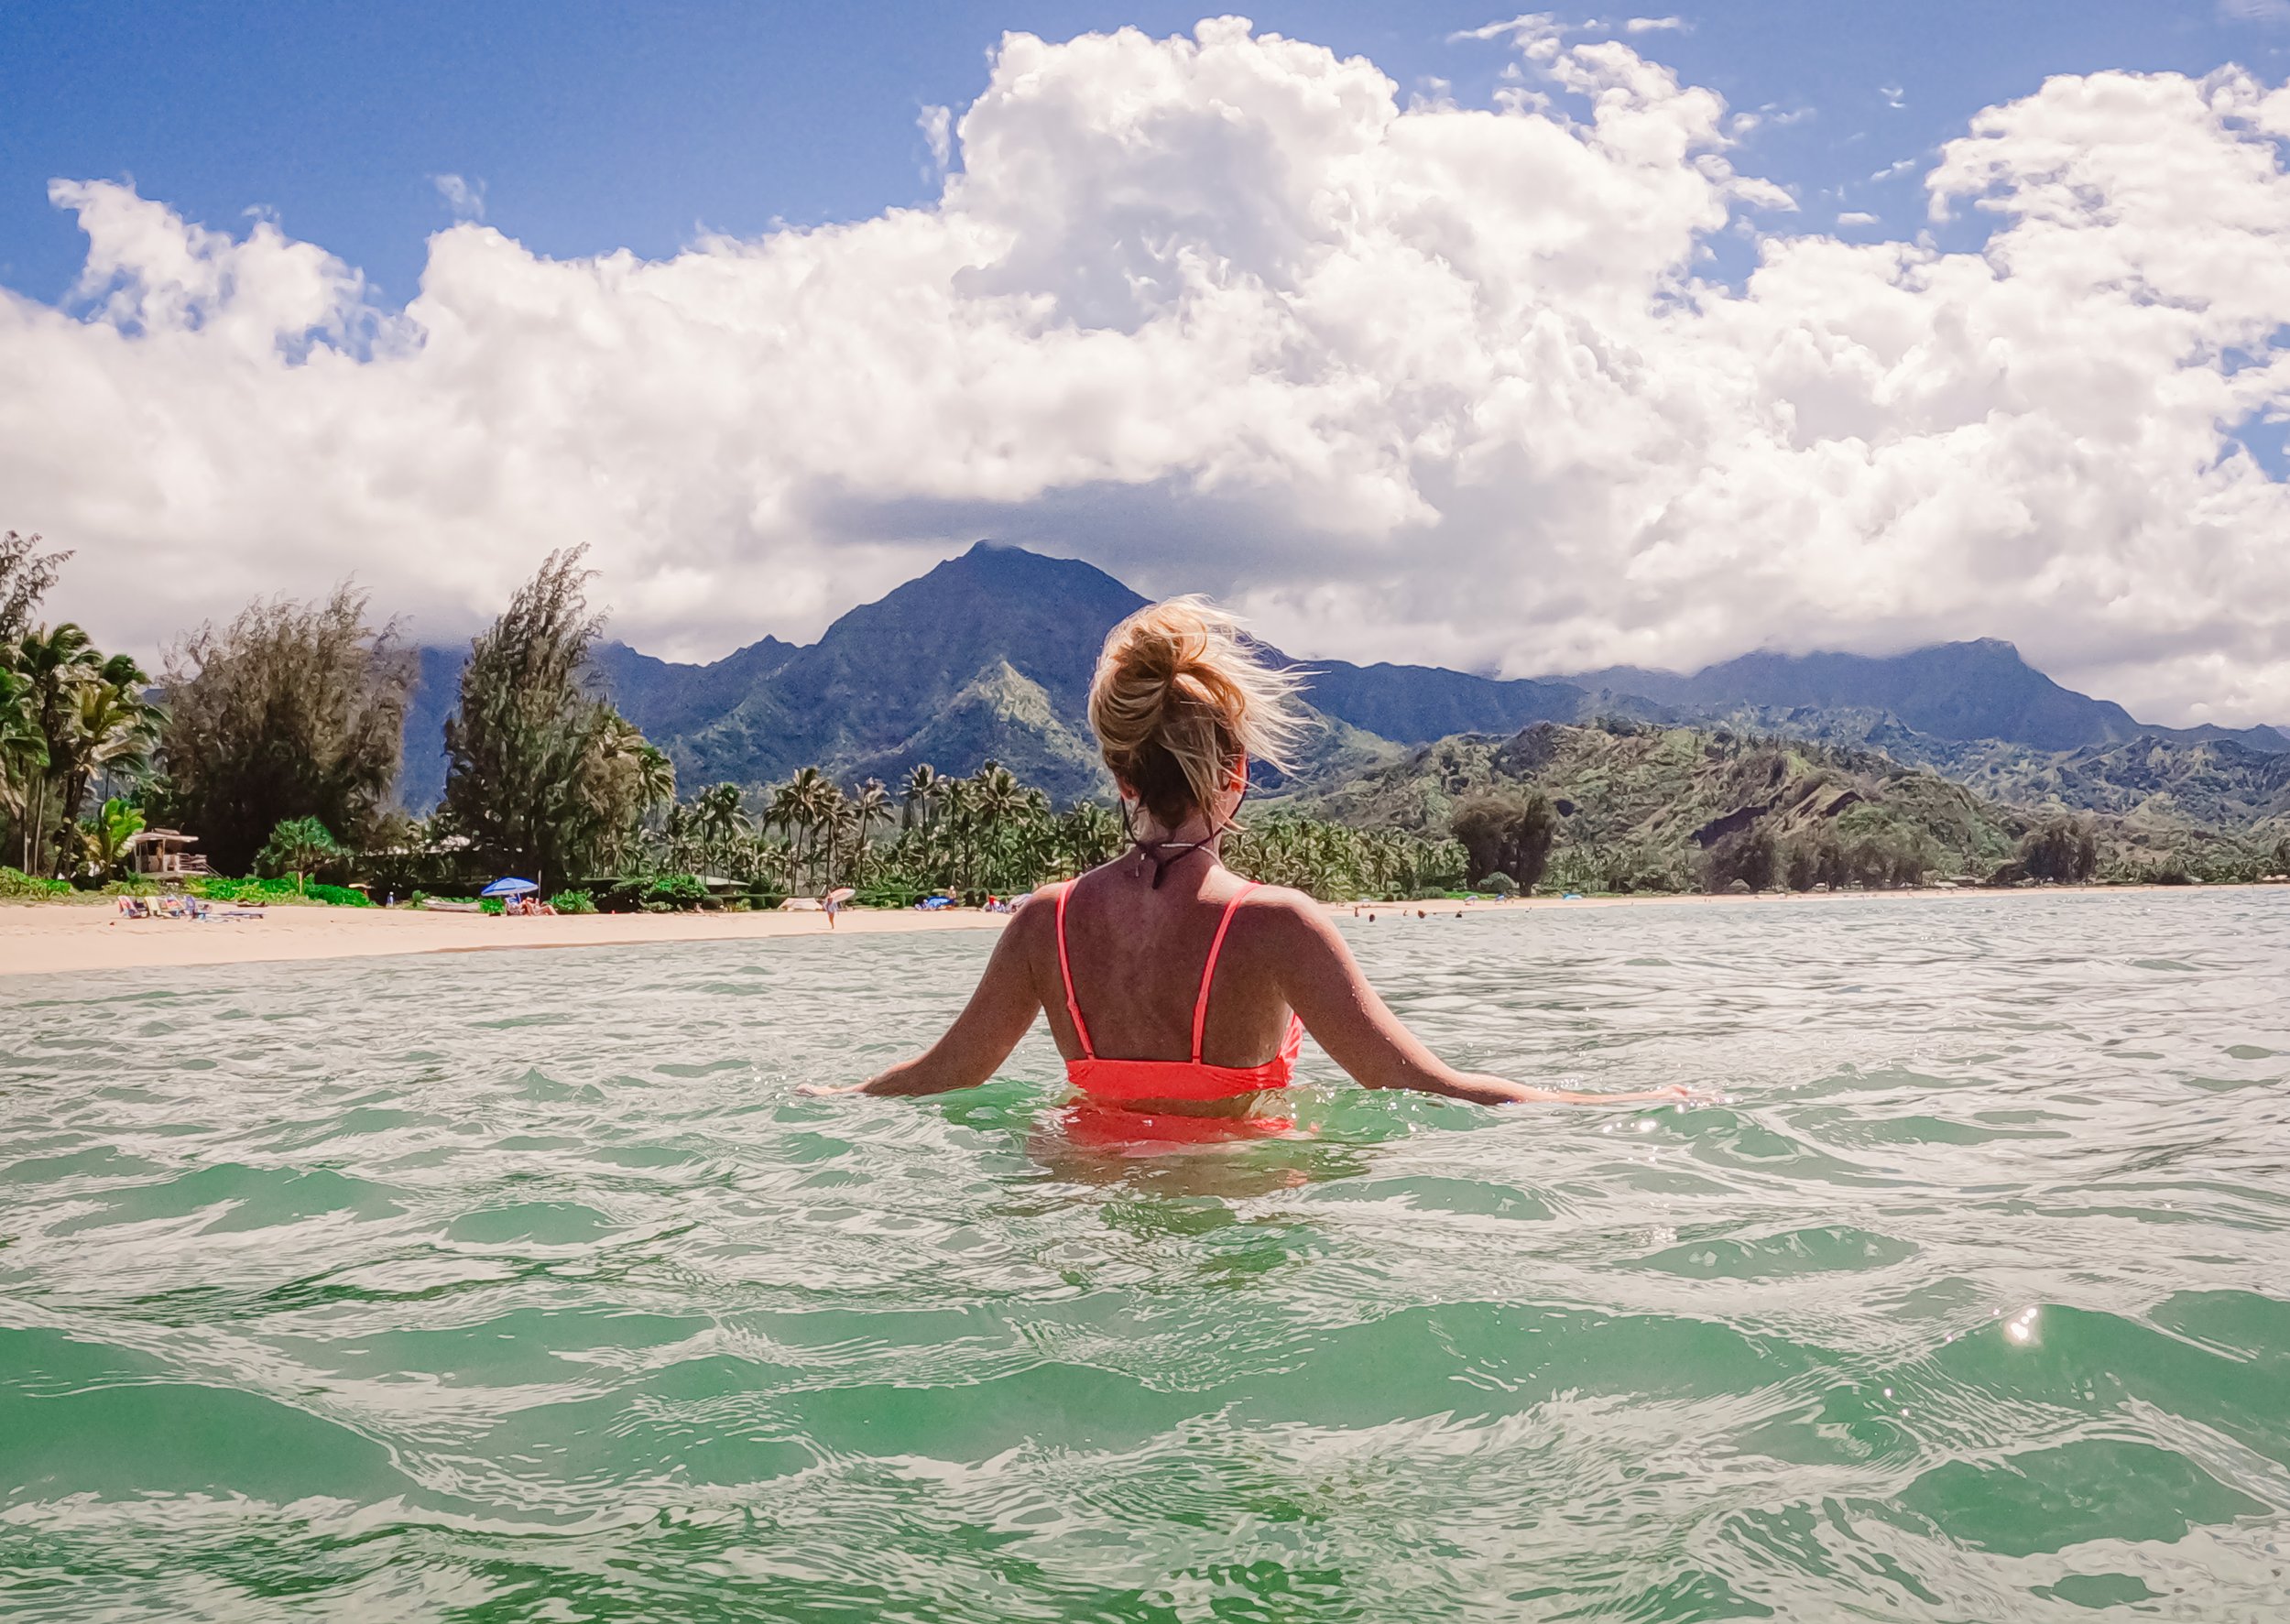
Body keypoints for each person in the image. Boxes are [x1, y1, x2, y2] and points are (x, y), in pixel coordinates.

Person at [803, 596, 1695, 1123]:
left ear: (1119, 773)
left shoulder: (1047, 923)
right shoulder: (1274, 926)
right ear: (1235, 770)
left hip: (1079, 1215)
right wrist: (1619, 1108)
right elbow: (1429, 1087)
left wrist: (833, 1095)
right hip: (1236, 1219)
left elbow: (939, 1076)